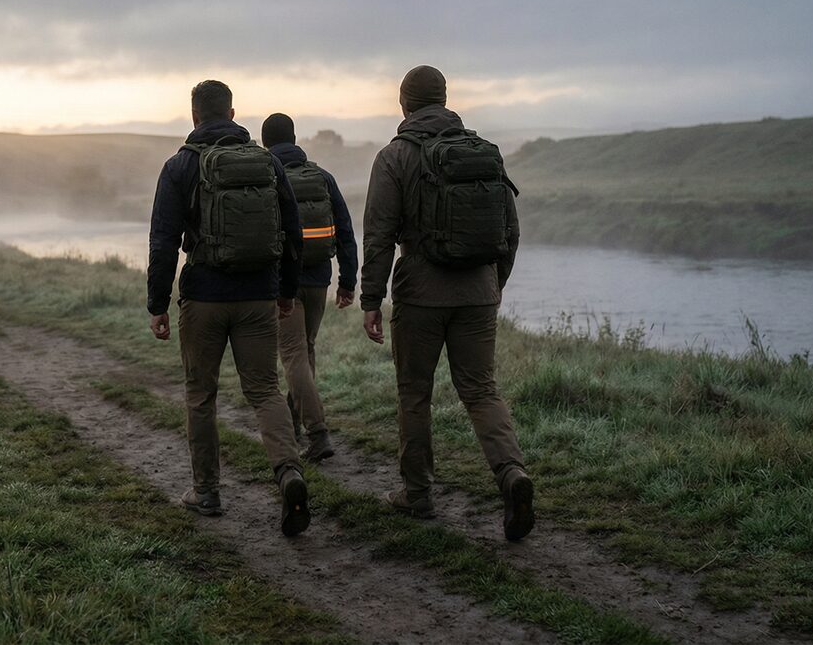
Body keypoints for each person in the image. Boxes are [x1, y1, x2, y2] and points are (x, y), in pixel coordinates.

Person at [359, 65, 535, 541]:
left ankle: (417, 493)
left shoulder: (394, 156)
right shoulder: (483, 152)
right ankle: (511, 473)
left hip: (420, 294)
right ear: (444, 99)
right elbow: (511, 230)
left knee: (414, 392)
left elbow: (378, 235)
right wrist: (493, 283)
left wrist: (371, 298)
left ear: (404, 104)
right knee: (480, 389)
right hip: (479, 291)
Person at [147, 80, 311, 537]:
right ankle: (289, 473)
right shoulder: (267, 161)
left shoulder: (179, 165)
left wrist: (157, 303)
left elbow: (163, 242)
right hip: (258, 295)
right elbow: (293, 232)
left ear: (194, 115)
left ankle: (206, 491)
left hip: (203, 297)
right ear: (233, 114)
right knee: (265, 391)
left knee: (201, 394)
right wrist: (285, 292)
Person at [259, 113, 358, 462]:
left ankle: (318, 433)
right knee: (306, 350)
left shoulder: (266, 175)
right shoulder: (322, 176)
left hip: (282, 283)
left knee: (293, 355)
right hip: (318, 279)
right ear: (294, 138)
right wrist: (348, 281)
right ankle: (296, 423)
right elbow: (344, 230)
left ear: (265, 143)